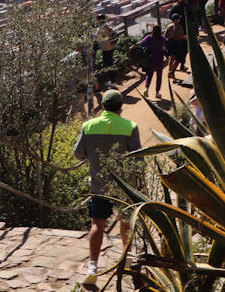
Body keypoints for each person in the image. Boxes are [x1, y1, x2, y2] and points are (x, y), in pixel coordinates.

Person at [73, 89, 142, 287]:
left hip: (98, 184)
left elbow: (78, 153)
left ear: (102, 106)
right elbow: (138, 158)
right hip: (124, 186)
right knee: (126, 221)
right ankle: (127, 257)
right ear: (121, 107)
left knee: (97, 224)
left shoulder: (89, 126)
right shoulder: (130, 126)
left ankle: (93, 267)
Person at [140, 25, 167, 97]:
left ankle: (146, 89)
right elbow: (165, 44)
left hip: (150, 58)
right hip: (159, 58)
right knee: (159, 75)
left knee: (149, 74)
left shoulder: (149, 38)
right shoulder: (162, 38)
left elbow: (142, 43)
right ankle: (157, 92)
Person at [96, 15, 117, 86]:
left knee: (108, 64)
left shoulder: (101, 28)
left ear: (99, 20)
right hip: (111, 46)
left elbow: (99, 38)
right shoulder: (107, 25)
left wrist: (100, 39)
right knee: (110, 63)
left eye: (97, 19)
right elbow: (108, 37)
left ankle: (112, 81)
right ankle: (112, 80)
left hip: (106, 48)